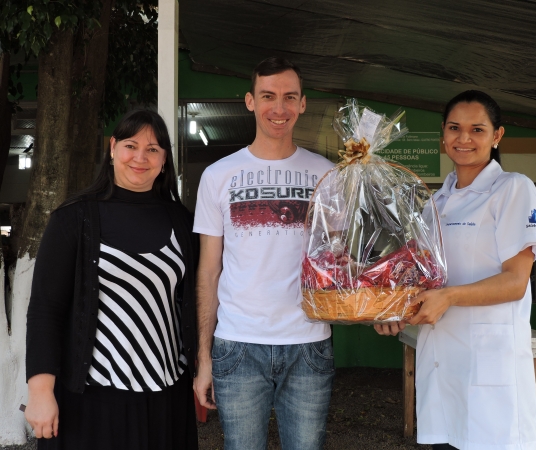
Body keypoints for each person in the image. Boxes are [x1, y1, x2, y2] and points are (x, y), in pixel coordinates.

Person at [375, 90, 536, 450]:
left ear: (497, 135)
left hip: (491, 381)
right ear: (443, 133)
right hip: (440, 372)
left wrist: (448, 297)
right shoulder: (435, 203)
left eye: (477, 129)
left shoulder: (513, 189)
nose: (464, 138)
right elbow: (423, 279)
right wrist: (393, 310)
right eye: (454, 128)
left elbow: (516, 282)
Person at [24, 110, 198, 450]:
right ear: (113, 148)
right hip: (92, 398)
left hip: (165, 394)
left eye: (152, 149)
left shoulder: (182, 222)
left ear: (164, 159)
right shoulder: (73, 218)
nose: (140, 157)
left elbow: (194, 299)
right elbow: (45, 309)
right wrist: (40, 392)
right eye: (131, 146)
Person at [193, 57, 335, 449]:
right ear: (250, 101)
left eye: (289, 97)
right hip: (237, 343)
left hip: (308, 342)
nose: (279, 107)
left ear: (302, 103)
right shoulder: (218, 175)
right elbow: (208, 270)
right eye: (268, 96)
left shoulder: (327, 174)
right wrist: (204, 358)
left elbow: (340, 261)